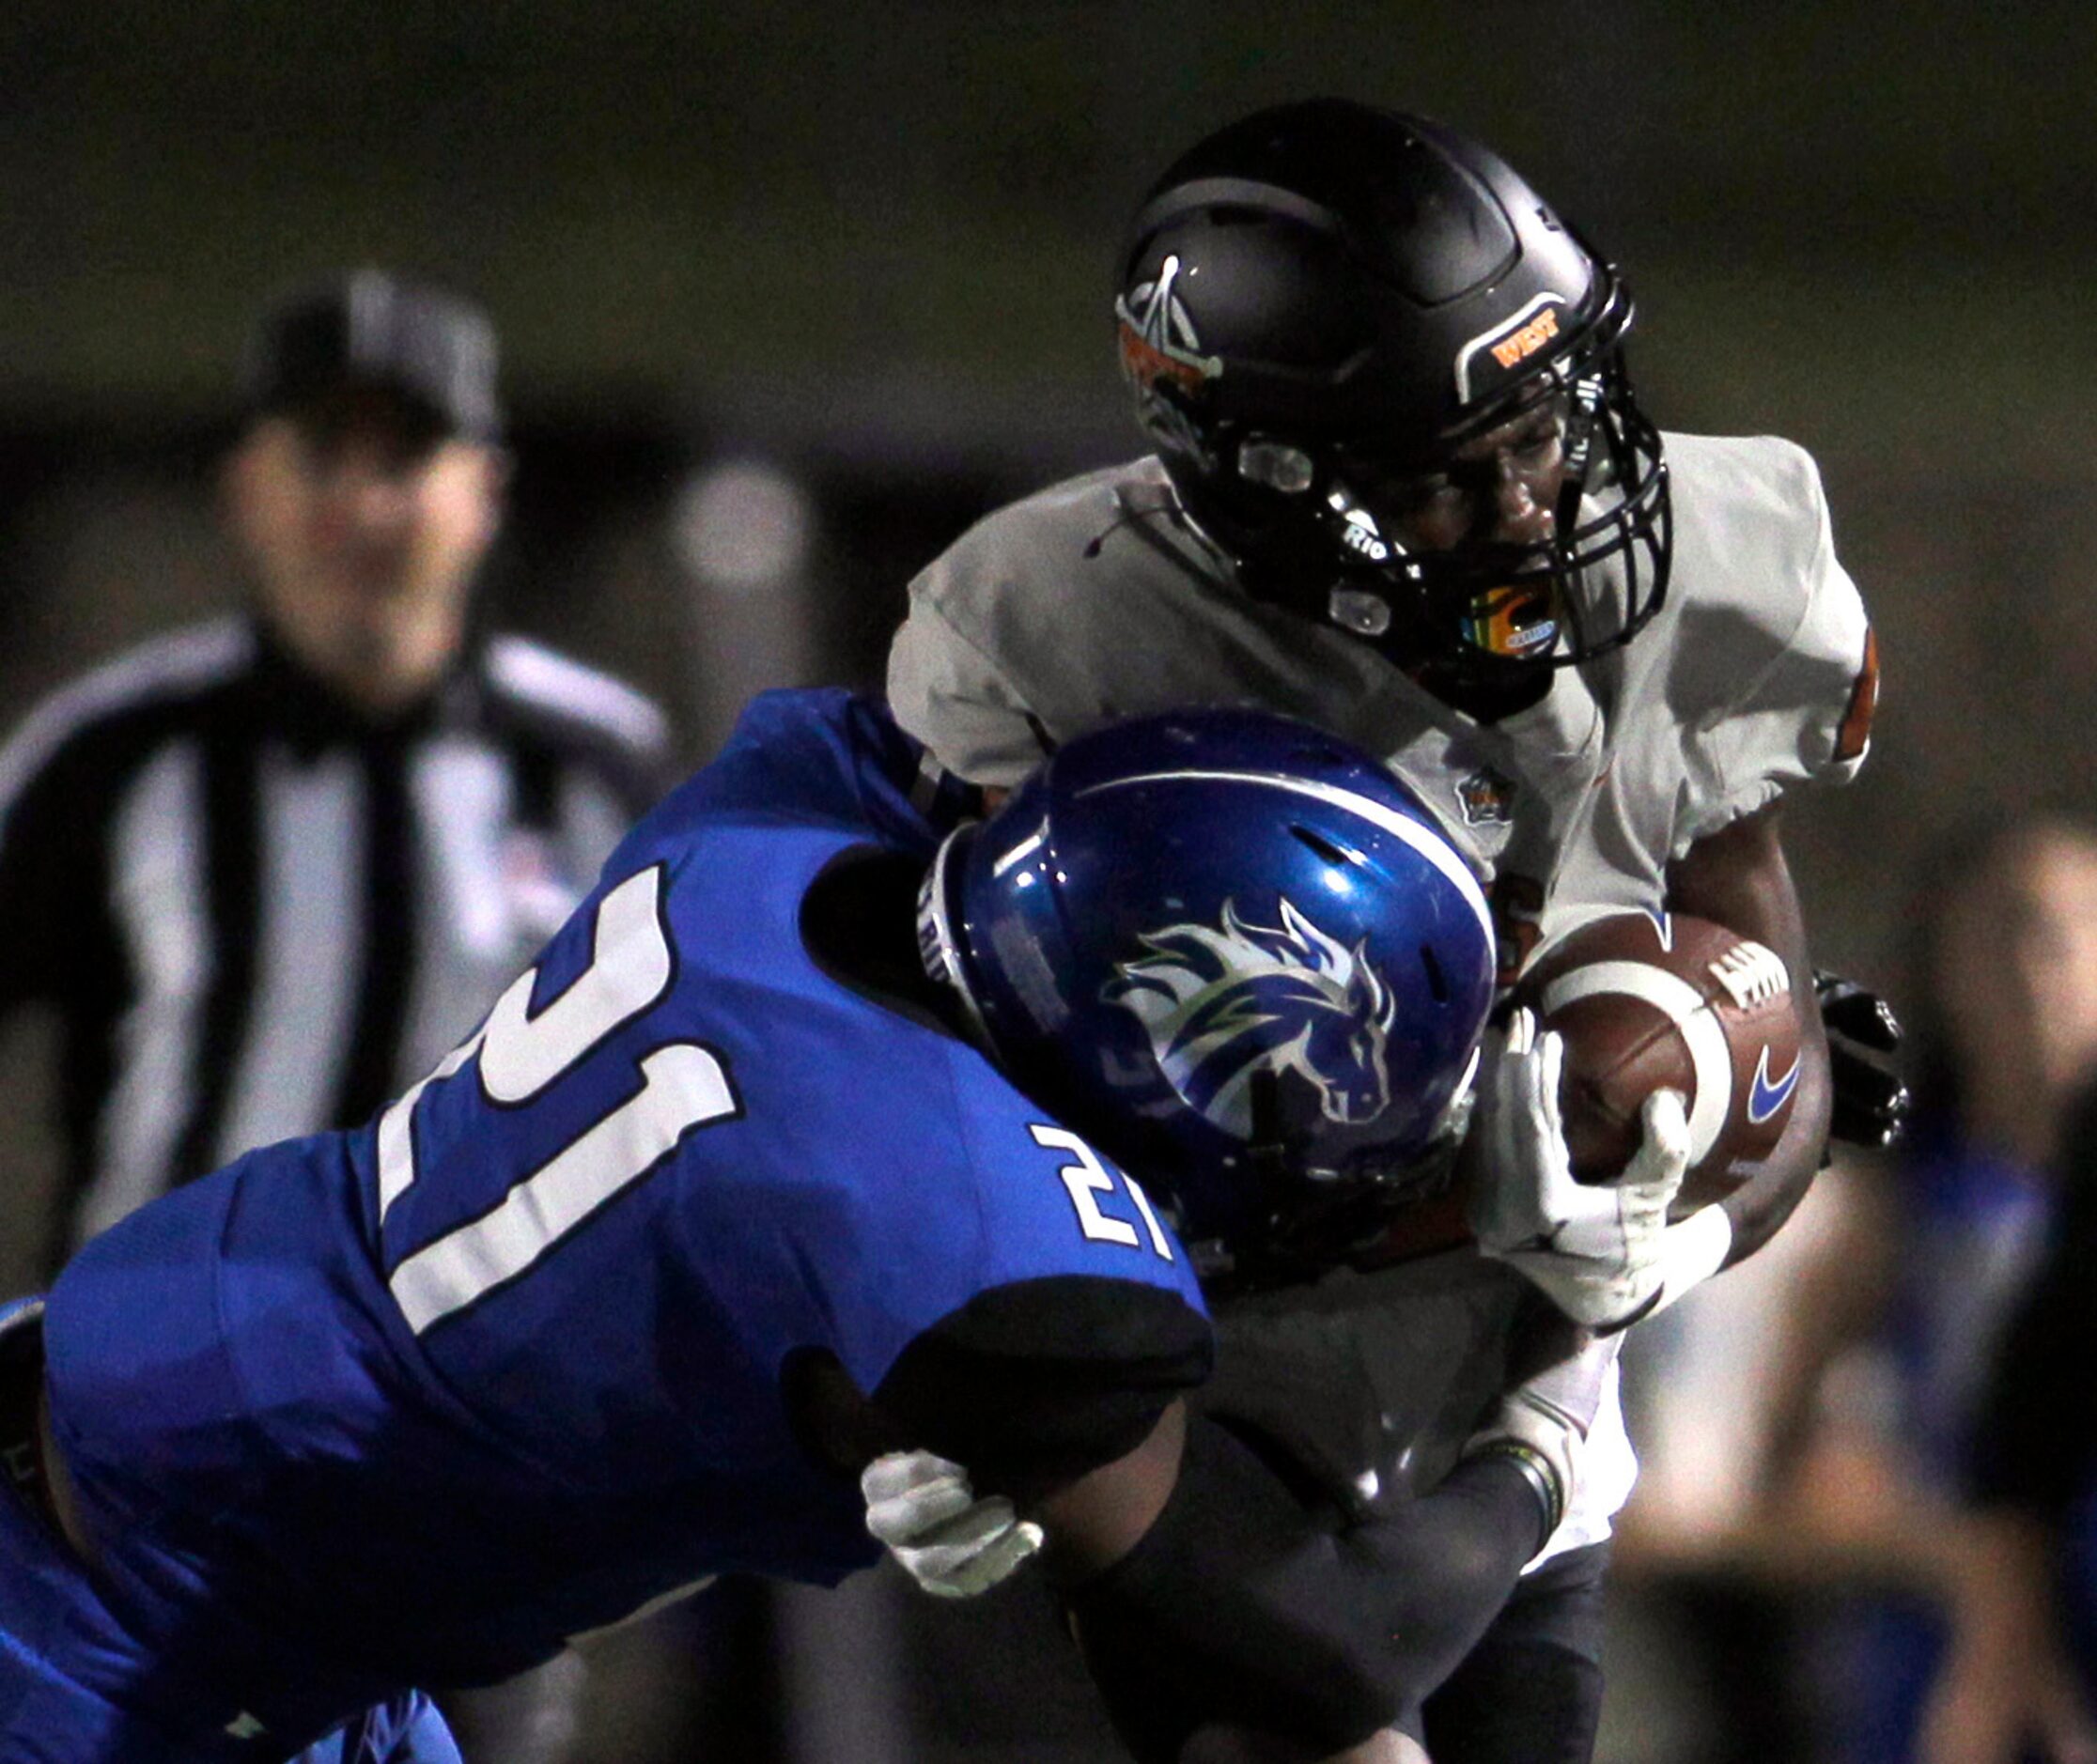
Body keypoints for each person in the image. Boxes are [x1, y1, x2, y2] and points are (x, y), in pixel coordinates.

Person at [0, 689, 1621, 1764]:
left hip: (226, 1519)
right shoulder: (986, 1255)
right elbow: (1325, 1646)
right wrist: (1555, 1422)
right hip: (128, 1634)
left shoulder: (790, 818)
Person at [886, 98, 1883, 1760]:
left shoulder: (1708, 569)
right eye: (1440, 481)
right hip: (1213, 1393)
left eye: (1544, 434)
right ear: (1260, 489)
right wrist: (919, 1352)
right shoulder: (1060, 637)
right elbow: (919, 1075)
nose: (1527, 511)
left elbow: (1777, 1046)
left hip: (1513, 1378)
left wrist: (1680, 1240)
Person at [0, 269, 671, 1756]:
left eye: (406, 460)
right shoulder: (113, 756)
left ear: (483, 491)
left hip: (469, 1465)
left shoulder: (601, 767)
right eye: (323, 458)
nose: (364, 508)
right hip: (133, 1454)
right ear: (250, 486)